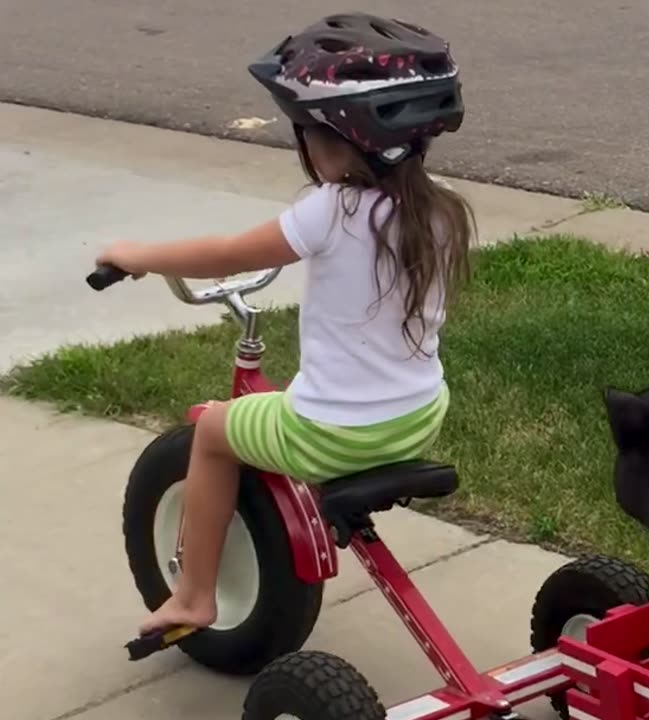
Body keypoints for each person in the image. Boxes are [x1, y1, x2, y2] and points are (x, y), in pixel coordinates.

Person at [96, 12, 476, 635]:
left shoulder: (332, 211)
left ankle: (193, 596)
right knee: (268, 416)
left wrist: (137, 256)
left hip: (338, 433)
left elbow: (227, 254)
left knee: (216, 433)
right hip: (420, 414)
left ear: (330, 141)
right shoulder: (440, 211)